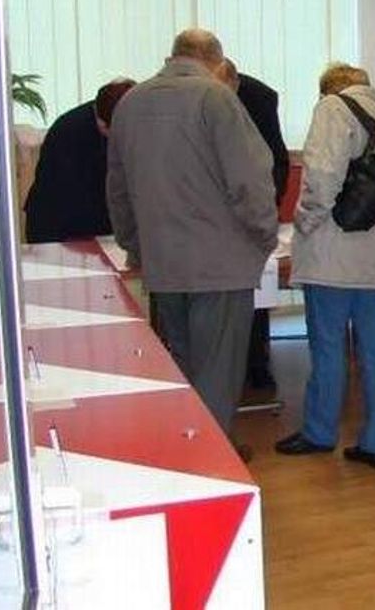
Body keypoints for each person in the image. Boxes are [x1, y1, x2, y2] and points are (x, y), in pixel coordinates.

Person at [107, 29, 278, 459]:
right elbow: (250, 181)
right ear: (217, 62)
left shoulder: (130, 102)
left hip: (163, 261)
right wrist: (264, 235)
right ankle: (211, 460)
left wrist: (136, 246)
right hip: (221, 263)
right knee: (218, 370)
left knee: (183, 363)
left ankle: (185, 449)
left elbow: (118, 189)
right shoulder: (216, 98)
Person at [274, 63, 375, 470]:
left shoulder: (332, 110)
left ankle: (319, 433)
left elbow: (321, 179)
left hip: (332, 257)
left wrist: (303, 223)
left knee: (328, 346)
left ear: (326, 91)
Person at [217, 58, 290, 391]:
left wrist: (266, 206)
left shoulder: (259, 98)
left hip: (252, 202)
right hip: (208, 208)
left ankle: (256, 361)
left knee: (257, 280)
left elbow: (275, 158)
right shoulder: (188, 99)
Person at [24, 78, 135, 243]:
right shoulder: (68, 132)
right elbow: (70, 201)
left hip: (101, 227)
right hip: (59, 229)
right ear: (101, 123)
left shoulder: (135, 121)